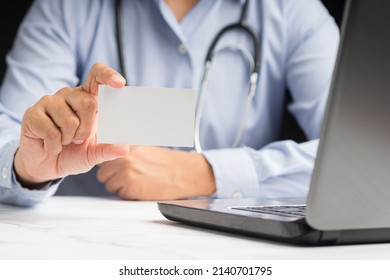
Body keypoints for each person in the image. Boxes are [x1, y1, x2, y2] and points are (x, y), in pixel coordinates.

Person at [0, 0, 339, 207]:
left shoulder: (294, 10)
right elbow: (9, 130)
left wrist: (208, 174)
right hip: (93, 251)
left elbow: (365, 156)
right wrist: (29, 169)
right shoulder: (65, 8)